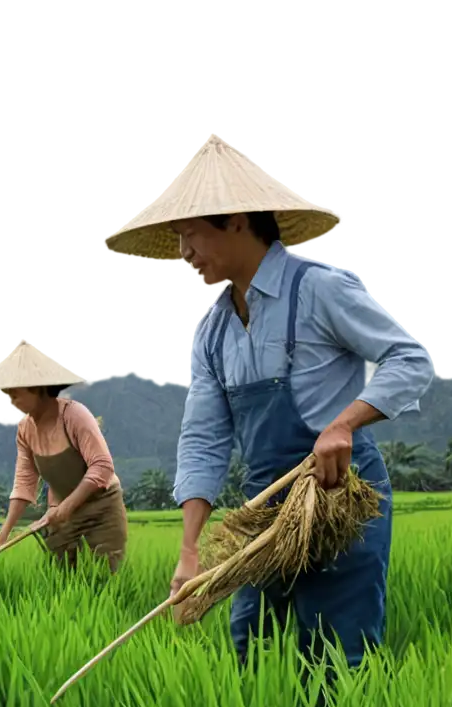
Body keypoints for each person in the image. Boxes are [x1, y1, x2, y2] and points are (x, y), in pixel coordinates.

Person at [102, 135, 434, 670]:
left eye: (190, 235)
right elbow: (204, 437)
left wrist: (344, 424)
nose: (184, 252)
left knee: (337, 654)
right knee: (252, 647)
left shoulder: (319, 290)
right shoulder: (212, 330)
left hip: (337, 499)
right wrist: (190, 552)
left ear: (235, 220)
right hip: (263, 510)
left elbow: (409, 359)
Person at [0, 340, 128, 573]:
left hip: (101, 507)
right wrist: (5, 530)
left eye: (15, 392)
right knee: (63, 577)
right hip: (61, 512)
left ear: (38, 388)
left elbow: (102, 467)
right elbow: (24, 482)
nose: (11, 399)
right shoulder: (25, 430)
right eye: (7, 394)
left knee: (104, 577)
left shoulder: (74, 416)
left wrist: (67, 506)